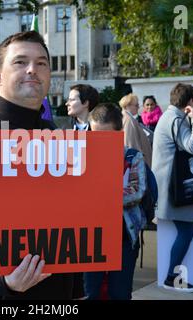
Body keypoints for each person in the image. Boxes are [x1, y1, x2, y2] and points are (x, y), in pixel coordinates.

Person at [0, 30, 83, 300]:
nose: (32, 70)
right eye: (20, 62)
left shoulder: (62, 140)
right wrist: (3, 285)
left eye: (41, 63)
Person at [84, 103, 147, 300]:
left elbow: (136, 191)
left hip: (124, 237)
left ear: (120, 133)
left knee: (119, 292)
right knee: (90, 292)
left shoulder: (132, 156)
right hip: (91, 238)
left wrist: (98, 196)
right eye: (95, 135)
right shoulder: (82, 157)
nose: (100, 141)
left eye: (107, 136)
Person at [152, 83, 193, 293]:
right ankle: (171, 277)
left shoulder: (169, 116)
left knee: (186, 230)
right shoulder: (176, 119)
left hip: (168, 186)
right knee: (186, 230)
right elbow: (192, 146)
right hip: (173, 188)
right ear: (190, 101)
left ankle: (171, 276)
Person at [119, 93, 153, 166]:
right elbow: (130, 143)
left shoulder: (128, 118)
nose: (138, 107)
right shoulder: (128, 120)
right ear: (127, 106)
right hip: (137, 164)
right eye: (136, 105)